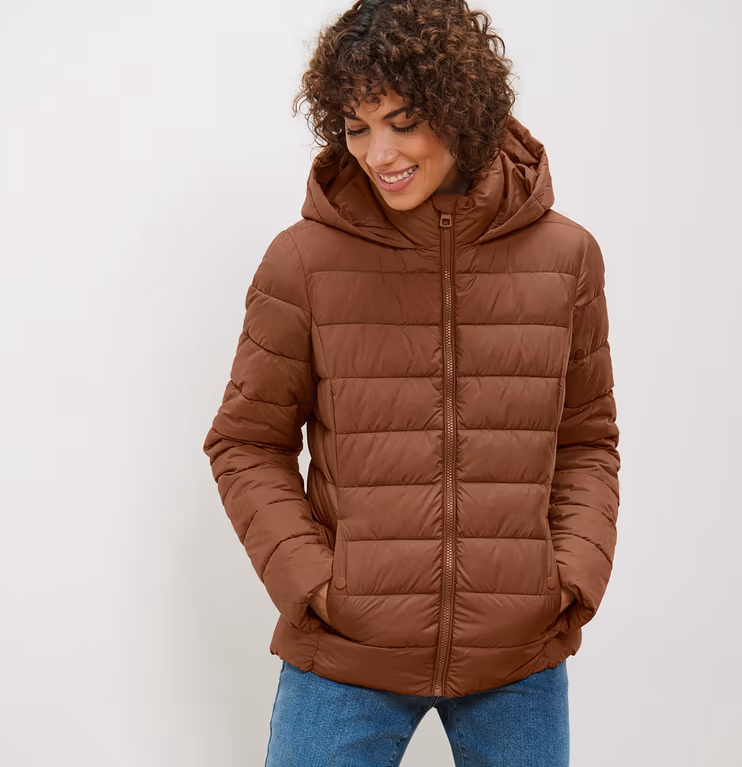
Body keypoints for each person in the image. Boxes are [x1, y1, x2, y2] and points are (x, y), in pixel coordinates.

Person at [202, 1, 621, 764]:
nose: (379, 153)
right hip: (347, 652)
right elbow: (245, 442)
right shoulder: (304, 261)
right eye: (357, 127)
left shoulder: (566, 258)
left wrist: (568, 579)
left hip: (518, 653)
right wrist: (319, 587)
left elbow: (587, 438)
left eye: (403, 121)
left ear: (461, 106)